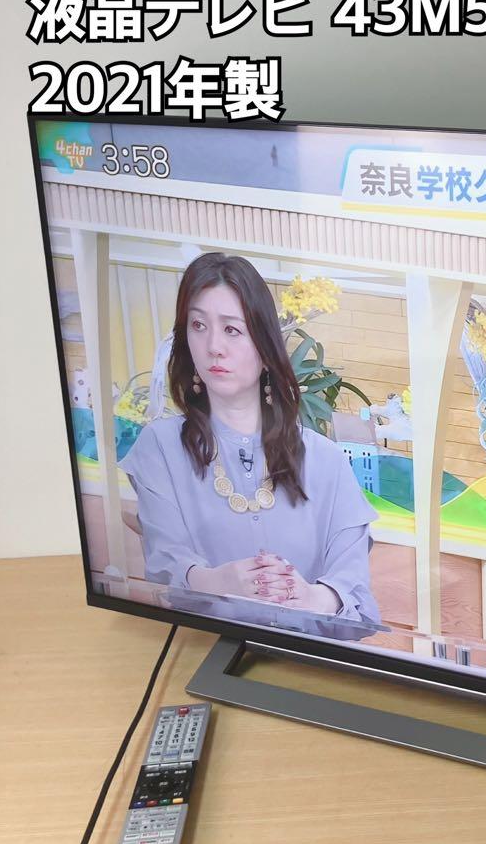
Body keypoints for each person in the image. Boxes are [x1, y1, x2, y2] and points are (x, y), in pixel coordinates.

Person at [120, 252, 380, 628]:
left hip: (309, 657)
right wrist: (218, 582)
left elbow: (353, 591)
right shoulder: (159, 447)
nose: (213, 346)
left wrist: (311, 598)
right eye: (198, 325)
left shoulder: (326, 460)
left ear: (264, 344)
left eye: (232, 329)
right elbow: (164, 566)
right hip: (199, 648)